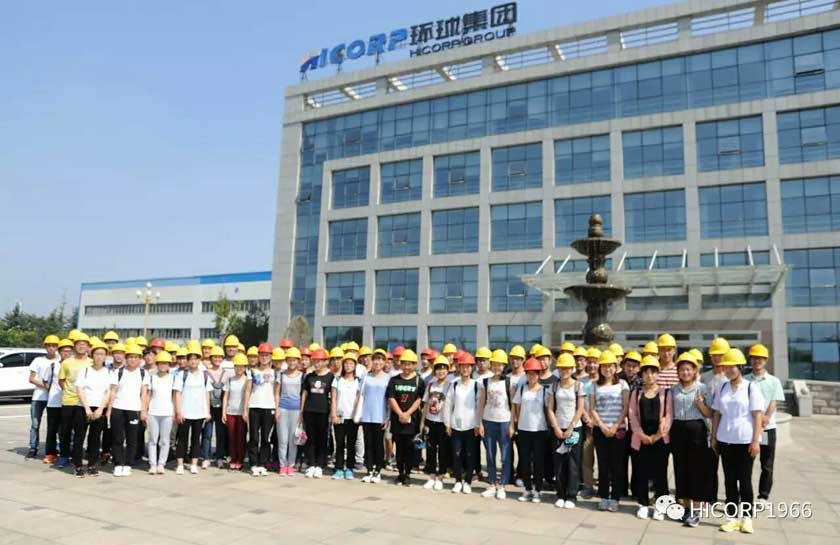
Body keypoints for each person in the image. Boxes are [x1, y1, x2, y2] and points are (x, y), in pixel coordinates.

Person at [712, 348, 765, 534]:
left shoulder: (751, 387)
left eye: (732, 367)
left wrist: (756, 441)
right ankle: (732, 517)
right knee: (729, 480)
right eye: (726, 367)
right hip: (725, 439)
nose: (728, 370)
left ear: (740, 367)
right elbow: (717, 414)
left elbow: (758, 415)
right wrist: (713, 437)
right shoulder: (722, 387)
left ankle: (747, 518)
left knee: (745, 480)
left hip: (744, 440)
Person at [670, 351, 714, 527]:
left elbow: (710, 413)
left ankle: (696, 509)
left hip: (697, 430)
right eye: (682, 369)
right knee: (680, 468)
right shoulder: (673, 390)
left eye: (688, 369)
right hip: (678, 430)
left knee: (697, 469)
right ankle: (685, 506)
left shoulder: (702, 388)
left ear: (695, 370)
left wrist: (700, 404)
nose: (685, 372)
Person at [629, 355, 672, 520]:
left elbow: (669, 415)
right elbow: (632, 415)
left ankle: (661, 506)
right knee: (641, 472)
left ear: (658, 374)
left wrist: (658, 435)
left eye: (653, 372)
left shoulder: (665, 393)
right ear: (641, 374)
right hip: (641, 439)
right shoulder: (636, 393)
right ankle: (643, 504)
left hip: (660, 439)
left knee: (661, 473)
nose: (649, 375)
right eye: (646, 372)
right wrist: (641, 435)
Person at [589, 350, 630, 512]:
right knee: (603, 465)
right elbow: (592, 408)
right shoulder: (594, 385)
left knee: (617, 466)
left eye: (611, 366)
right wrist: (602, 425)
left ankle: (615, 498)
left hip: (618, 430)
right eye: (604, 366)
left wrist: (615, 426)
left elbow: (625, 407)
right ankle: (604, 497)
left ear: (615, 367)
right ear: (600, 368)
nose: (608, 369)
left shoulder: (623, 384)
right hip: (600, 430)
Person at [744, 344, 784, 505]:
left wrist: (766, 417)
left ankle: (763, 495)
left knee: (766, 464)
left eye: (760, 358)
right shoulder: (745, 380)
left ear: (766, 360)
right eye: (754, 358)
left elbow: (774, 401)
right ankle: (745, 494)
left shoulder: (774, 381)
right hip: (749, 428)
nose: (757, 361)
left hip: (767, 428)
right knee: (746, 463)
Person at [546, 353, 585, 509]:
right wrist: (555, 427)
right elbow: (550, 408)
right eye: (562, 368)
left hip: (574, 429)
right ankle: (560, 494)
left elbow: (580, 408)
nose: (564, 371)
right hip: (558, 428)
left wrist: (571, 427)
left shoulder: (578, 386)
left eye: (567, 368)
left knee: (573, 463)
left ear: (572, 369)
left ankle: (571, 495)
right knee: (559, 462)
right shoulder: (554, 386)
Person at [108, 342, 150, 477]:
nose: (132, 360)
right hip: (118, 408)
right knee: (117, 438)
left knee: (132, 439)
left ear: (140, 359)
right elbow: (112, 392)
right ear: (126, 358)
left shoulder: (143, 373)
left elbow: (144, 394)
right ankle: (118, 464)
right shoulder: (118, 372)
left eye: (135, 357)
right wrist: (109, 410)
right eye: (130, 357)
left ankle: (127, 464)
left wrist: (143, 411)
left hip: (134, 409)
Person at [477, 349, 513, 500]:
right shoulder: (486, 381)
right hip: (488, 421)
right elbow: (481, 403)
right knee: (490, 454)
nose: (497, 367)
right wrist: (480, 423)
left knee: (505, 456)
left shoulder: (509, 382)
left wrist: (512, 425)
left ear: (504, 366)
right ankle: (492, 484)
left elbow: (514, 405)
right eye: (495, 364)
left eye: (500, 364)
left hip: (504, 421)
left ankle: (502, 485)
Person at [444, 352, 481, 494]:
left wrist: (478, 425)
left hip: (471, 426)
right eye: (462, 366)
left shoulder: (476, 385)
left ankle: (468, 482)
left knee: (470, 455)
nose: (465, 369)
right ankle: (458, 481)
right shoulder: (454, 385)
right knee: (457, 454)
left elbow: (479, 407)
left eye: (468, 366)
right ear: (459, 368)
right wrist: (448, 424)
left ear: (472, 368)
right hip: (456, 426)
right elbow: (448, 405)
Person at [513, 357, 548, 503]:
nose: (532, 376)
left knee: (539, 462)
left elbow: (548, 410)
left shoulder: (544, 391)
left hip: (540, 430)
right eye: (529, 373)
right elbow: (516, 409)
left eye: (534, 373)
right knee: (525, 461)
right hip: (524, 430)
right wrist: (514, 425)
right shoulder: (522, 389)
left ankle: (538, 490)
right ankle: (527, 489)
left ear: (539, 374)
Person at [173, 345, 213, 475]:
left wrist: (207, 411)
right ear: (187, 360)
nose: (193, 361)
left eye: (196, 359)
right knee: (182, 439)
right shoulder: (182, 375)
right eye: (191, 359)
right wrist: (178, 411)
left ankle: (193, 464)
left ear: (199, 360)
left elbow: (207, 394)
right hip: (185, 413)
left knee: (196, 439)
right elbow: (177, 394)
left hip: (199, 413)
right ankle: (180, 464)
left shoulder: (204, 375)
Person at [386, 348, 423, 486]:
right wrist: (400, 413)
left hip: (412, 421)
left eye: (410, 364)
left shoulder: (419, 380)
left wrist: (408, 413)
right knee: (399, 448)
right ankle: (400, 473)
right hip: (397, 420)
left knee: (410, 448)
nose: (407, 367)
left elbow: (420, 399)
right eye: (404, 364)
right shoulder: (394, 380)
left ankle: (407, 473)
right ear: (400, 364)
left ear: (414, 365)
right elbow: (391, 398)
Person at [75, 341, 112, 476]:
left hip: (99, 408)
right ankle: (78, 465)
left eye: (102, 354)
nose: (99, 356)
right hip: (83, 407)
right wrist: (87, 409)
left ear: (105, 356)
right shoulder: (85, 371)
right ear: (92, 355)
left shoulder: (109, 372)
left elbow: (108, 392)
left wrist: (101, 409)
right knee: (79, 437)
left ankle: (92, 465)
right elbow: (80, 389)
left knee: (95, 439)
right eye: (96, 354)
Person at [56, 333, 92, 469]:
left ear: (88, 347)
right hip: (69, 401)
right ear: (74, 346)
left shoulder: (92, 362)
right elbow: (61, 381)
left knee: (81, 432)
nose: (81, 346)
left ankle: (78, 456)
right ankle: (64, 456)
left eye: (84, 344)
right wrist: (69, 391)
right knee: (65, 430)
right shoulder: (67, 362)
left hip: (86, 402)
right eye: (79, 344)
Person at [244, 344, 277, 477]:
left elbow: (276, 392)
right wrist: (245, 409)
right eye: (262, 355)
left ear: (271, 357)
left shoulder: (275, 372)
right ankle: (253, 463)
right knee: (253, 436)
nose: (264, 357)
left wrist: (276, 408)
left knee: (265, 437)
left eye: (267, 355)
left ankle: (263, 463)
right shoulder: (252, 371)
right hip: (254, 407)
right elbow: (248, 390)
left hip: (269, 407)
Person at [27, 335, 61, 459]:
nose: (51, 348)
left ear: (57, 347)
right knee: (35, 424)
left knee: (55, 425)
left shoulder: (61, 360)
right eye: (49, 346)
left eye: (54, 346)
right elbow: (31, 378)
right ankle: (33, 447)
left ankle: (56, 448)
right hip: (39, 397)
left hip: (55, 398)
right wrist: (47, 386)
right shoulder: (38, 360)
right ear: (45, 347)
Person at [141, 350, 176, 474]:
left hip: (167, 413)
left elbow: (175, 396)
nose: (163, 366)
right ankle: (153, 464)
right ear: (157, 364)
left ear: (169, 365)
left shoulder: (173, 378)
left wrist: (175, 412)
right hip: (153, 413)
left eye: (166, 363)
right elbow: (148, 396)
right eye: (161, 363)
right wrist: (144, 411)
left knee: (165, 440)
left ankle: (161, 464)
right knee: (152, 440)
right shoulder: (152, 378)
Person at [301, 348, 333, 478]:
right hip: (309, 410)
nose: (317, 363)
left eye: (319, 361)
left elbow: (333, 395)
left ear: (325, 361)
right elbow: (304, 393)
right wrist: (302, 410)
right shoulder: (309, 376)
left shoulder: (330, 377)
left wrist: (332, 412)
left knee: (322, 439)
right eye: (315, 361)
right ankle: (311, 464)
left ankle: (320, 464)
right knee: (311, 439)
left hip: (323, 411)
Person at [420, 355, 450, 491]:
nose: (441, 371)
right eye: (438, 369)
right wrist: (422, 422)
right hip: (430, 421)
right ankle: (431, 476)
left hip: (443, 423)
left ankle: (440, 477)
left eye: (443, 369)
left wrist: (450, 424)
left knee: (443, 451)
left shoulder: (451, 385)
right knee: (430, 450)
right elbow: (426, 404)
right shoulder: (431, 385)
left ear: (447, 370)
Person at [360, 349, 390, 483]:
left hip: (380, 416)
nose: (378, 362)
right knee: (368, 444)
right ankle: (369, 470)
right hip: (366, 415)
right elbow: (360, 395)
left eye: (381, 360)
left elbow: (389, 400)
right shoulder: (366, 377)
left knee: (378, 444)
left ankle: (378, 470)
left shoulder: (388, 378)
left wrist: (388, 417)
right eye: (376, 359)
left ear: (385, 362)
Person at [331, 353, 361, 480]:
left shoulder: (359, 381)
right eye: (346, 363)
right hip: (339, 417)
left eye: (351, 363)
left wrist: (357, 416)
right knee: (339, 444)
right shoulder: (337, 380)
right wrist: (333, 414)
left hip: (352, 417)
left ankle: (349, 468)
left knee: (351, 444)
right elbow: (334, 398)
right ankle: (338, 468)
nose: (348, 366)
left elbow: (359, 399)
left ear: (355, 366)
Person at [203, 343, 233, 469]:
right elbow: (204, 392)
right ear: (211, 358)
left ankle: (220, 457)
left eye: (219, 357)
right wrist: (206, 410)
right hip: (208, 406)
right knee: (207, 434)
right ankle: (206, 457)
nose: (217, 359)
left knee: (221, 434)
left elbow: (226, 394)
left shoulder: (226, 373)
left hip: (221, 407)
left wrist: (224, 412)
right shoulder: (205, 373)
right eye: (214, 357)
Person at [40, 338, 68, 464]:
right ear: (59, 352)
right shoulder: (53, 365)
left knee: (66, 430)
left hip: (68, 403)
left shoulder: (74, 366)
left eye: (69, 351)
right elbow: (45, 381)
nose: (66, 353)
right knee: (52, 429)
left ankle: (65, 453)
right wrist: (51, 391)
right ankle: (51, 453)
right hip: (54, 402)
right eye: (64, 351)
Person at [275, 346, 302, 475]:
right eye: (289, 360)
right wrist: (277, 409)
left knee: (293, 440)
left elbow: (303, 395)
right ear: (286, 361)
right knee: (282, 439)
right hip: (283, 408)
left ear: (298, 361)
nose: (292, 363)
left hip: (296, 410)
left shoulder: (302, 376)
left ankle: (291, 465)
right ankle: (282, 465)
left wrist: (302, 412)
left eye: (294, 360)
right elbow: (276, 393)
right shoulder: (281, 374)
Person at [221, 353, 249, 471]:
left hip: (242, 413)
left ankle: (240, 459)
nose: (239, 369)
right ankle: (233, 459)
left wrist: (246, 411)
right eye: (237, 366)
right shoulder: (230, 380)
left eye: (242, 366)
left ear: (245, 367)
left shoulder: (248, 380)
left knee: (241, 437)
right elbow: (226, 396)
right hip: (230, 412)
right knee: (232, 437)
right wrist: (223, 412)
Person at [579, 347, 600, 498]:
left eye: (595, 362)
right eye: (590, 362)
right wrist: (586, 417)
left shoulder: (606, 382)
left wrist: (596, 420)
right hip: (586, 426)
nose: (592, 365)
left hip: (602, 425)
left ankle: (604, 486)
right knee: (586, 458)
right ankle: (588, 486)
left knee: (604, 459)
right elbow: (578, 402)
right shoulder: (581, 382)